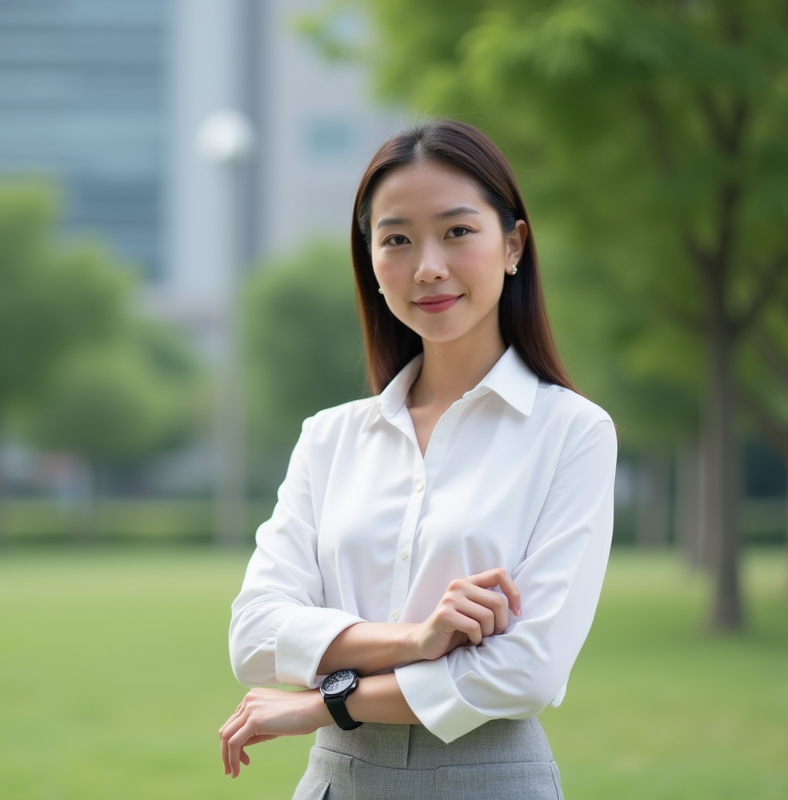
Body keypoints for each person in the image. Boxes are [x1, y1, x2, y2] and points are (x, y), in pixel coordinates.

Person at [218, 119, 617, 800]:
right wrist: (416, 638)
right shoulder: (329, 438)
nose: (427, 265)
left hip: (488, 779)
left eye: (457, 232)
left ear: (513, 244)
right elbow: (253, 637)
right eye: (397, 239)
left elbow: (528, 671)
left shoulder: (571, 431)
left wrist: (326, 702)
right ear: (370, 263)